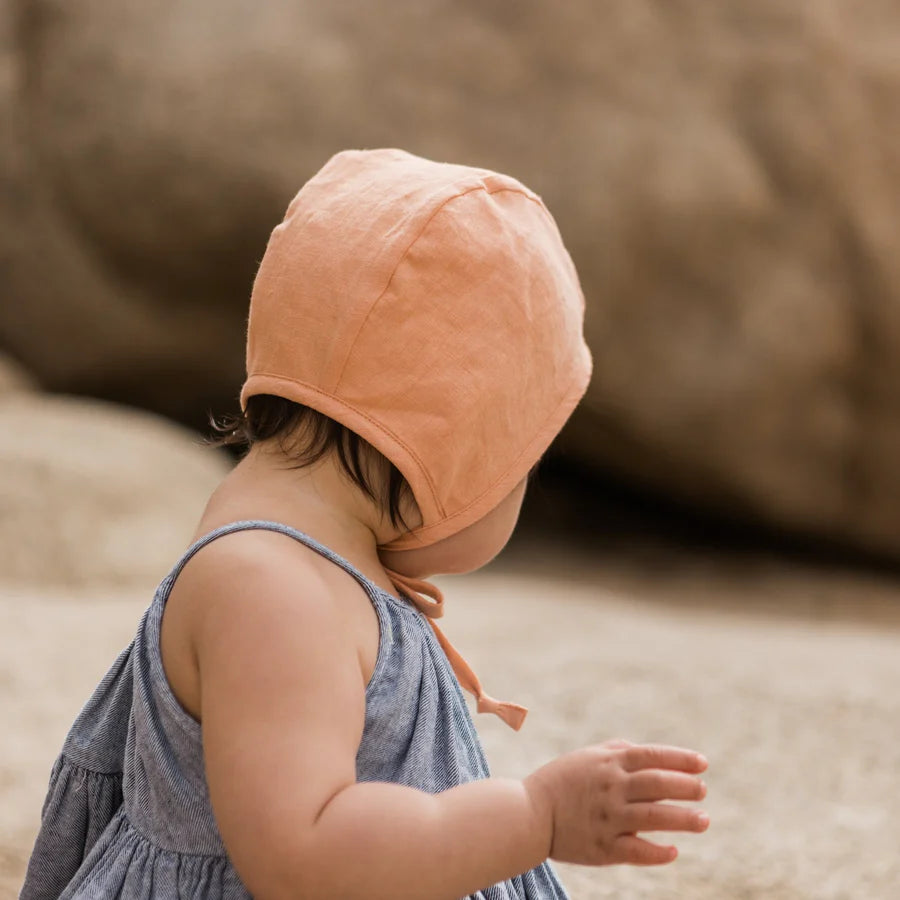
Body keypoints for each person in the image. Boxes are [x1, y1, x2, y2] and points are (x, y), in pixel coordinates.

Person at [20, 148, 709, 899]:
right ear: (458, 444)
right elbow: (304, 859)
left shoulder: (302, 561)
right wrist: (533, 816)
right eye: (525, 461)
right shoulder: (272, 592)